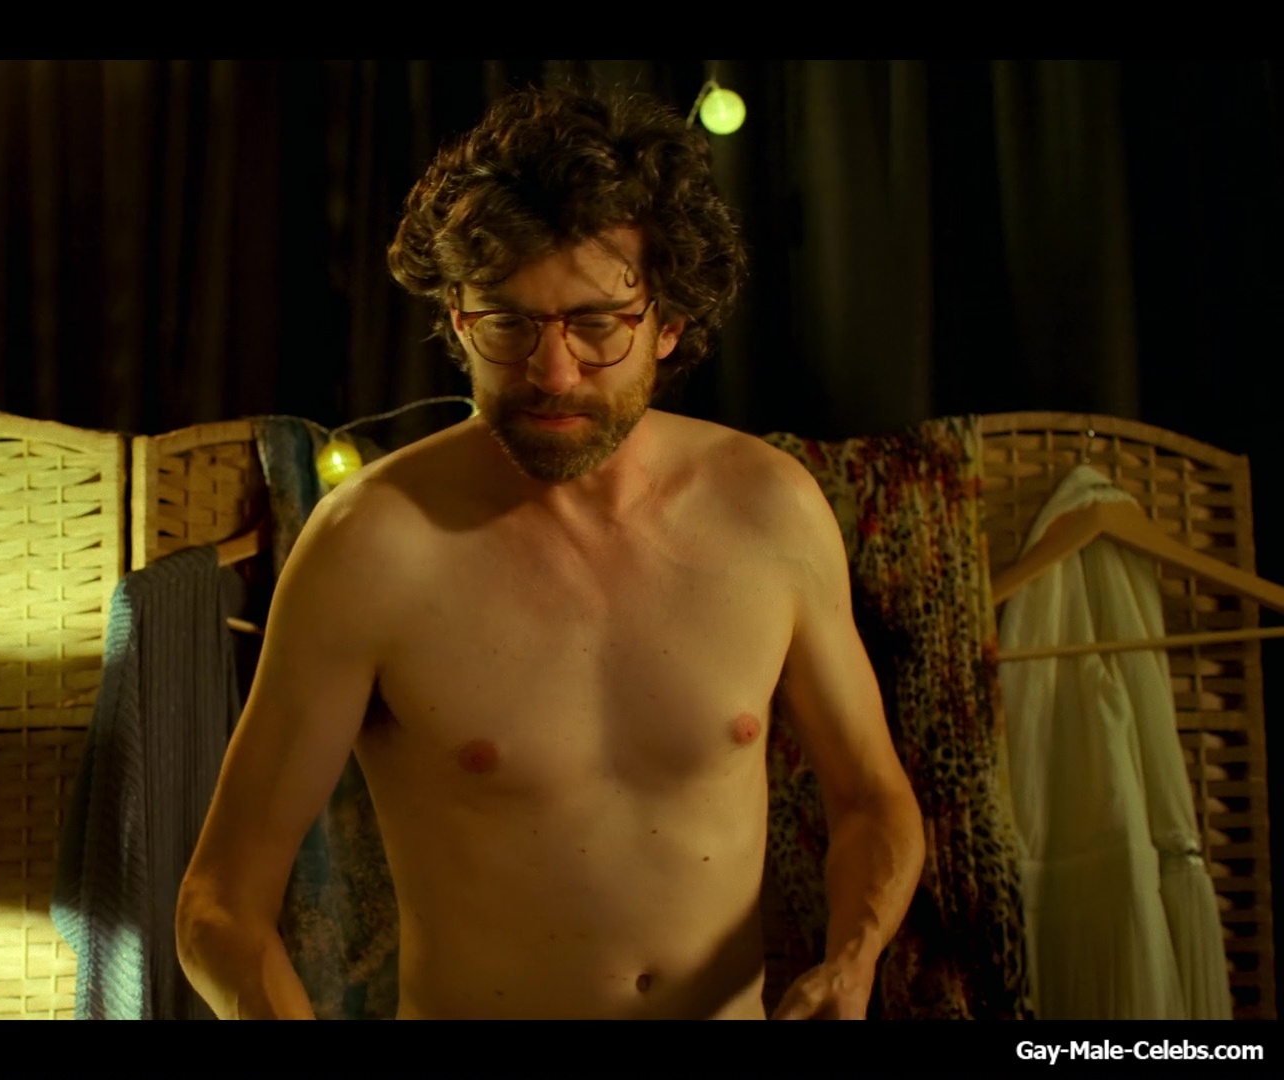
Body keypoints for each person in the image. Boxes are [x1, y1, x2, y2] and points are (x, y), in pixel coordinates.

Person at [175, 86, 925, 1020]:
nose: (553, 373)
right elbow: (219, 904)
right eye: (509, 324)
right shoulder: (369, 546)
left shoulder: (770, 509)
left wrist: (853, 963)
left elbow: (872, 800)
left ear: (669, 323)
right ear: (458, 318)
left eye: (597, 325)